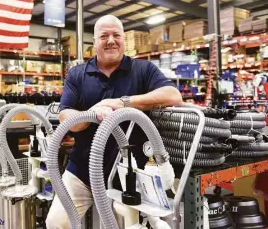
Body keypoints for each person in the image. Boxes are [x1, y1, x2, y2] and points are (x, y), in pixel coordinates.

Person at [45, 15, 183, 229]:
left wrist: (122, 103)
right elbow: (66, 118)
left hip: (131, 174)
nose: (111, 40)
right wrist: (91, 114)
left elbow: (173, 96)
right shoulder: (77, 74)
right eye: (104, 36)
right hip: (83, 170)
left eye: (116, 35)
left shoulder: (143, 70)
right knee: (56, 223)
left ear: (123, 40)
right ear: (95, 43)